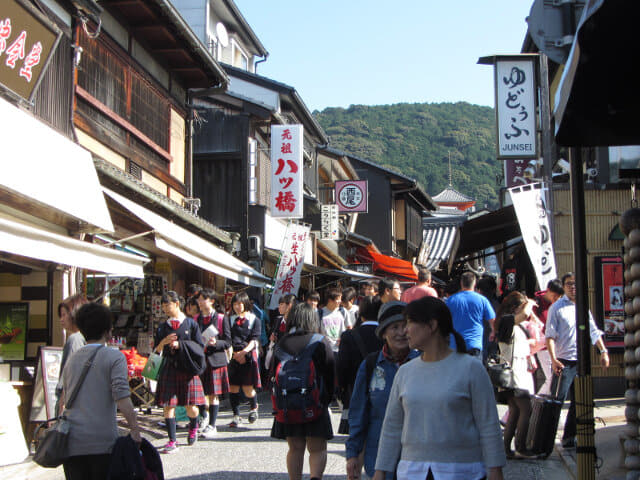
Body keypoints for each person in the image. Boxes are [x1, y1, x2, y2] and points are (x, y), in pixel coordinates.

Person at [373, 297, 505, 480]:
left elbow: (488, 424)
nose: (405, 331)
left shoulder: (471, 369)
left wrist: (495, 469)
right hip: (412, 471)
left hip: (462, 471)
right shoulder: (405, 372)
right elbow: (392, 426)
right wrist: (380, 471)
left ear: (432, 325)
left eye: (410, 323)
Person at [61, 303, 140, 480]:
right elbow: (122, 397)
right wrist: (134, 429)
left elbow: (65, 398)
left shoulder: (72, 359)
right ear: (108, 330)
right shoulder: (114, 356)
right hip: (102, 442)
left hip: (72, 443)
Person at [346, 300, 419, 480]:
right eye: (394, 327)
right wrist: (353, 453)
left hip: (417, 459)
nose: (401, 333)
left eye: (405, 326)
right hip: (377, 456)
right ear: (384, 332)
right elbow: (358, 412)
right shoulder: (371, 365)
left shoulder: (423, 363)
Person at [270, 303, 335, 480]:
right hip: (315, 402)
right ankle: (315, 477)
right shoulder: (320, 341)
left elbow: (271, 374)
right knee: (317, 448)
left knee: (295, 448)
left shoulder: (281, 344)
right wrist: (327, 398)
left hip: (288, 403)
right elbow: (330, 372)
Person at [545, 272, 609, 449]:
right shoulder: (556, 308)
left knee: (579, 401)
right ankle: (546, 441)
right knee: (556, 402)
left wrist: (603, 351)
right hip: (563, 361)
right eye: (569, 284)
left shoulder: (582, 306)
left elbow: (593, 331)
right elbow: (549, 336)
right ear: (563, 287)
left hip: (581, 361)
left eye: (575, 284)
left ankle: (569, 437)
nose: (573, 287)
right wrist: (554, 359)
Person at [154, 291, 206, 453]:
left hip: (187, 369)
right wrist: (163, 342)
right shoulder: (163, 327)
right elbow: (156, 350)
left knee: (191, 406)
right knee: (168, 406)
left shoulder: (191, 324)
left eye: (167, 305)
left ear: (177, 303)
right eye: (162, 306)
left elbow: (199, 347)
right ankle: (172, 440)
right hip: (169, 367)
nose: (165, 309)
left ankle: (193, 426)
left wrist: (181, 345)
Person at [495, 292, 537, 458]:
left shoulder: (510, 323)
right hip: (514, 373)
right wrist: (530, 304)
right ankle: (520, 446)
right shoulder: (506, 320)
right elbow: (525, 314)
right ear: (514, 308)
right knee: (526, 409)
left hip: (517, 372)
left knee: (515, 411)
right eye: (521, 307)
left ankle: (506, 449)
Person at [337, 296, 384, 434]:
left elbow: (342, 366)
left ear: (361, 315)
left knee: (357, 436)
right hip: (382, 390)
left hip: (355, 390)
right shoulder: (386, 335)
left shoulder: (349, 336)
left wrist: (342, 388)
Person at [195, 288, 230, 439]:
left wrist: (216, 343)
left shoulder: (221, 318)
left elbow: (228, 341)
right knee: (199, 392)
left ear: (212, 301)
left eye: (203, 299)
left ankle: (212, 424)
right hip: (200, 359)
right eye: (199, 299)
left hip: (215, 359)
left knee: (213, 394)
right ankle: (203, 417)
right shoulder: (196, 319)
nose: (200, 302)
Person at [227, 291, 262, 427]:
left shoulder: (254, 320)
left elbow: (255, 340)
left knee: (248, 388)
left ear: (246, 303)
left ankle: (254, 408)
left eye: (240, 303)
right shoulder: (230, 319)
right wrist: (234, 354)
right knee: (233, 387)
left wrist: (243, 353)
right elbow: (227, 337)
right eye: (235, 304)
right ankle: (236, 415)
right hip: (232, 356)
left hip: (248, 356)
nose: (237, 306)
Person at [445, 271, 495, 358]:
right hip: (474, 345)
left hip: (455, 346)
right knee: (474, 371)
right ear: (474, 283)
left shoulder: (451, 300)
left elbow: (442, 321)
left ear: (461, 283)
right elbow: (492, 320)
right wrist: (493, 332)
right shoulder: (482, 300)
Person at [55, 294, 88, 415]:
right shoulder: (87, 338)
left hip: (70, 403)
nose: (61, 319)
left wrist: (62, 406)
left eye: (64, 315)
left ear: (74, 314)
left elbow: (69, 374)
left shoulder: (74, 339)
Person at [319, 287, 347, 353]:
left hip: (340, 350)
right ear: (330, 300)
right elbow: (316, 331)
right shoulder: (320, 313)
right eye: (338, 299)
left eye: (340, 299)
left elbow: (349, 328)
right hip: (325, 349)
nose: (340, 301)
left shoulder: (342, 311)